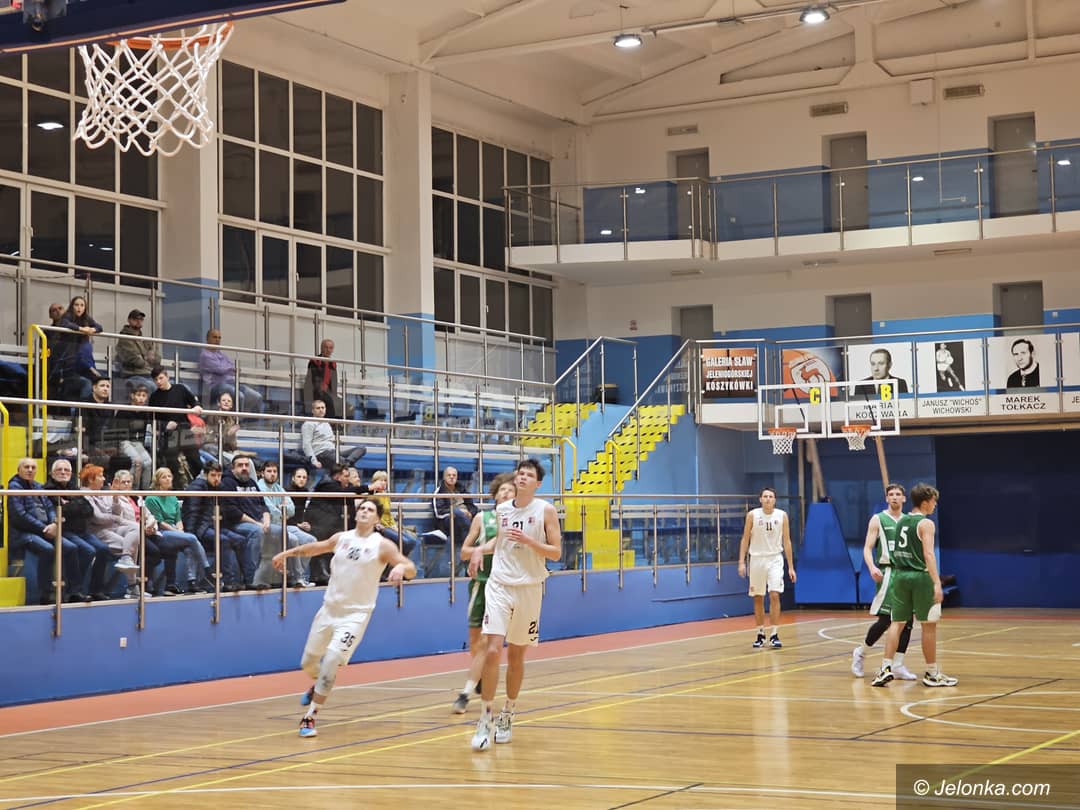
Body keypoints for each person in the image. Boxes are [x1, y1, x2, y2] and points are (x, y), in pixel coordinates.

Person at [272, 497, 416, 738]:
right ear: (355, 513)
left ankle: (310, 716)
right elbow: (315, 548)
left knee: (331, 659)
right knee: (308, 663)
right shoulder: (342, 538)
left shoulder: (382, 545)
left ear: (377, 518)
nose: (364, 511)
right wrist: (286, 553)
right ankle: (319, 684)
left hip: (355, 615)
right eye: (362, 508)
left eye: (370, 509)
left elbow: (411, 567)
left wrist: (401, 568)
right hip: (328, 610)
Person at [471, 459, 561, 752]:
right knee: (492, 649)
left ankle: (508, 712)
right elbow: (499, 543)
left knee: (516, 655)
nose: (522, 477)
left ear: (537, 483)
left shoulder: (545, 510)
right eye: (520, 473)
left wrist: (529, 541)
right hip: (499, 584)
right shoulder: (502, 510)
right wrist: (478, 551)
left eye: (529, 475)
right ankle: (485, 718)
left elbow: (556, 553)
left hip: (529, 587)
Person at [871, 483, 958, 687]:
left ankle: (885, 668)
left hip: (900, 576)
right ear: (925, 502)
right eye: (934, 501)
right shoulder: (926, 524)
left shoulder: (901, 521)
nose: (935, 505)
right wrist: (937, 583)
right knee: (929, 625)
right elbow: (928, 554)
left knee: (897, 623)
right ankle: (932, 673)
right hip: (920, 577)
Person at [452, 472, 515, 714]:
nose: (506, 493)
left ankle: (465, 694)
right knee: (476, 643)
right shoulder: (482, 518)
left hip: (503, 585)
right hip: (480, 583)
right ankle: (478, 675)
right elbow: (464, 552)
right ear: (495, 494)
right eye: (502, 490)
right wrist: (483, 550)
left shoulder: (519, 522)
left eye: (511, 491)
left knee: (488, 642)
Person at [850, 483, 917, 681]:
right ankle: (861, 652)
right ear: (887, 498)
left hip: (907, 573)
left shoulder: (910, 521)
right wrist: (872, 567)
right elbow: (867, 548)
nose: (894, 497)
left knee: (907, 621)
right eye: (891, 494)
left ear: (904, 498)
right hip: (888, 573)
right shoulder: (878, 519)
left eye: (898, 494)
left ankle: (898, 664)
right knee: (886, 620)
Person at [8, 457, 83, 604]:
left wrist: (54, 523)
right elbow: (19, 516)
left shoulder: (38, 486)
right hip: (23, 533)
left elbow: (50, 507)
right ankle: (45, 594)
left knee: (71, 548)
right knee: (47, 549)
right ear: (19, 470)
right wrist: (43, 528)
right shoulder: (13, 487)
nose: (30, 470)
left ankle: (74, 592)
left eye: (33, 467)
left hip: (45, 529)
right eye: (26, 467)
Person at [182, 461, 257, 592]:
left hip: (216, 526)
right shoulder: (197, 487)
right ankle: (228, 582)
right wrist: (191, 535)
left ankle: (249, 580)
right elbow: (191, 513)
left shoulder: (220, 487)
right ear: (206, 475)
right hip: (200, 528)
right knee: (224, 540)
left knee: (240, 540)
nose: (216, 478)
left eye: (219, 475)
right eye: (213, 475)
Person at [737, 487, 797, 649]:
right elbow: (745, 538)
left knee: (774, 594)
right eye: (765, 496)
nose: (768, 499)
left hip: (775, 558)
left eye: (771, 496)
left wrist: (791, 567)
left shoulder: (782, 515)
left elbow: (787, 541)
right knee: (758, 596)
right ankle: (760, 633)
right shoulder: (752, 515)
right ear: (760, 499)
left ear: (775, 500)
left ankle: (774, 634)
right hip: (757, 559)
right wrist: (741, 562)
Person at [145, 467, 214, 594]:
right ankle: (208, 571)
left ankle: (192, 582)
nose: (168, 479)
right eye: (164, 477)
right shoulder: (151, 498)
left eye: (169, 476)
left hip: (175, 530)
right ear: (158, 480)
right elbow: (160, 522)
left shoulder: (172, 496)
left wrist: (180, 530)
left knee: (189, 546)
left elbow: (178, 518)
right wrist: (178, 532)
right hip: (161, 532)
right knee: (192, 538)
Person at [46, 458, 107, 602]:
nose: (63, 472)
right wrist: (74, 505)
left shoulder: (74, 488)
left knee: (103, 549)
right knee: (88, 550)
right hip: (65, 530)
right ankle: (74, 590)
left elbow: (88, 510)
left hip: (81, 530)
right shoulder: (48, 489)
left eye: (66, 470)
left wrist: (68, 505)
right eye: (59, 470)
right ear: (52, 473)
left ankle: (96, 589)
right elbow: (59, 511)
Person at [256, 460, 316, 587]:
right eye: (269, 471)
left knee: (310, 541)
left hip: (284, 524)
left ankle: (297, 574)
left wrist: (282, 510)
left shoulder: (278, 487)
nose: (272, 474)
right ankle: (298, 578)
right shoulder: (259, 487)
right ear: (262, 473)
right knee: (293, 539)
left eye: (275, 471)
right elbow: (271, 510)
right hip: (268, 525)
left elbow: (291, 509)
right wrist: (282, 509)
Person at [148, 365, 204, 484]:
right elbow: (153, 420)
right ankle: (177, 487)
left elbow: (194, 401)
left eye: (161, 378)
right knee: (172, 462)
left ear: (167, 377)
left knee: (195, 460)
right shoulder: (154, 397)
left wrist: (197, 406)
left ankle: (200, 485)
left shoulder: (180, 389)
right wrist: (165, 427)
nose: (159, 382)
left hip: (184, 431)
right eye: (156, 380)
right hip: (168, 435)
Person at [198, 327, 264, 414]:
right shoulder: (205, 355)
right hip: (215, 386)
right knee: (239, 396)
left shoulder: (221, 354)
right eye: (214, 337)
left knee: (257, 397)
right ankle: (238, 420)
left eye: (219, 337)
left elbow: (233, 366)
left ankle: (251, 421)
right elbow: (220, 369)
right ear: (207, 338)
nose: (217, 340)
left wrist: (227, 368)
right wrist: (228, 368)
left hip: (231, 383)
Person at [52, 295, 103, 401]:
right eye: (76, 305)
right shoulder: (67, 316)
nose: (79, 308)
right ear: (72, 306)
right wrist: (81, 329)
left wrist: (92, 329)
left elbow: (99, 327)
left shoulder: (86, 318)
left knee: (102, 382)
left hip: (82, 364)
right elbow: (65, 324)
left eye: (82, 305)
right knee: (87, 383)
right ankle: (83, 408)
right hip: (69, 365)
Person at [301, 398, 366, 474]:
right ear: (313, 410)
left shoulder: (326, 423)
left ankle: (346, 463)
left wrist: (335, 441)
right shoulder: (309, 423)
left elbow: (328, 439)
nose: (321, 410)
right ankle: (346, 465)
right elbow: (306, 444)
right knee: (352, 469)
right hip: (322, 453)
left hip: (333, 452)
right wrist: (314, 461)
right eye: (318, 408)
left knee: (361, 448)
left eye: (323, 407)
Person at [368, 470, 417, 559]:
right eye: (381, 480)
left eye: (385, 480)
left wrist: (394, 525)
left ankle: (396, 560)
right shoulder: (372, 497)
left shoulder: (386, 495)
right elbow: (376, 515)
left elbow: (388, 514)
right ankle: (397, 560)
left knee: (412, 541)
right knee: (405, 542)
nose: (383, 483)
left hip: (390, 525)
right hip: (381, 527)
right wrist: (386, 526)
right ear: (374, 482)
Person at [115, 309, 159, 399]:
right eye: (135, 319)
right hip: (133, 375)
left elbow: (157, 359)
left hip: (149, 374)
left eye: (141, 319)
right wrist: (147, 358)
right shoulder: (124, 338)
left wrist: (145, 357)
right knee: (153, 387)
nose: (139, 321)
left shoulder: (145, 340)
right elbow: (134, 360)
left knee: (175, 386)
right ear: (129, 320)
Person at [116, 383, 153, 490]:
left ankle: (145, 492)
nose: (141, 398)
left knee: (148, 462)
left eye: (144, 396)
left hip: (137, 442)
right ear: (132, 396)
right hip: (124, 441)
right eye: (138, 395)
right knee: (137, 461)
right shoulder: (123, 411)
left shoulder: (146, 413)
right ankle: (132, 489)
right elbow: (119, 432)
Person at [433, 466, 477, 545]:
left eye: (454, 475)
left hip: (465, 518)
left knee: (481, 516)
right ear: (444, 477)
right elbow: (439, 513)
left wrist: (470, 513)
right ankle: (471, 541)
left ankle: (468, 544)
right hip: (449, 521)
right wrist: (458, 512)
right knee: (458, 513)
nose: (452, 477)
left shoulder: (462, 490)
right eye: (449, 475)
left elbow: (472, 507)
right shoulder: (439, 492)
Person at [304, 338, 341, 418]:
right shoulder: (315, 361)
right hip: (316, 392)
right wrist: (320, 387)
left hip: (328, 393)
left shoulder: (332, 364)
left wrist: (333, 394)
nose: (328, 350)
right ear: (321, 348)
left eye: (330, 348)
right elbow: (311, 379)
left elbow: (334, 382)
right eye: (326, 347)